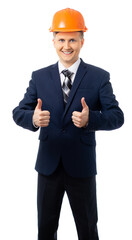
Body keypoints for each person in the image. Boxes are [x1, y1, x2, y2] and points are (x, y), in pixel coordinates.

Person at [13, 8, 124, 240]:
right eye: (61, 39)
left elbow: (117, 116)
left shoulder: (98, 77)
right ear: (53, 41)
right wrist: (33, 119)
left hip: (81, 167)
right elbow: (18, 112)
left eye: (72, 39)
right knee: (45, 229)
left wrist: (90, 119)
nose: (67, 45)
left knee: (88, 230)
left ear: (82, 41)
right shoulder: (39, 77)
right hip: (48, 167)